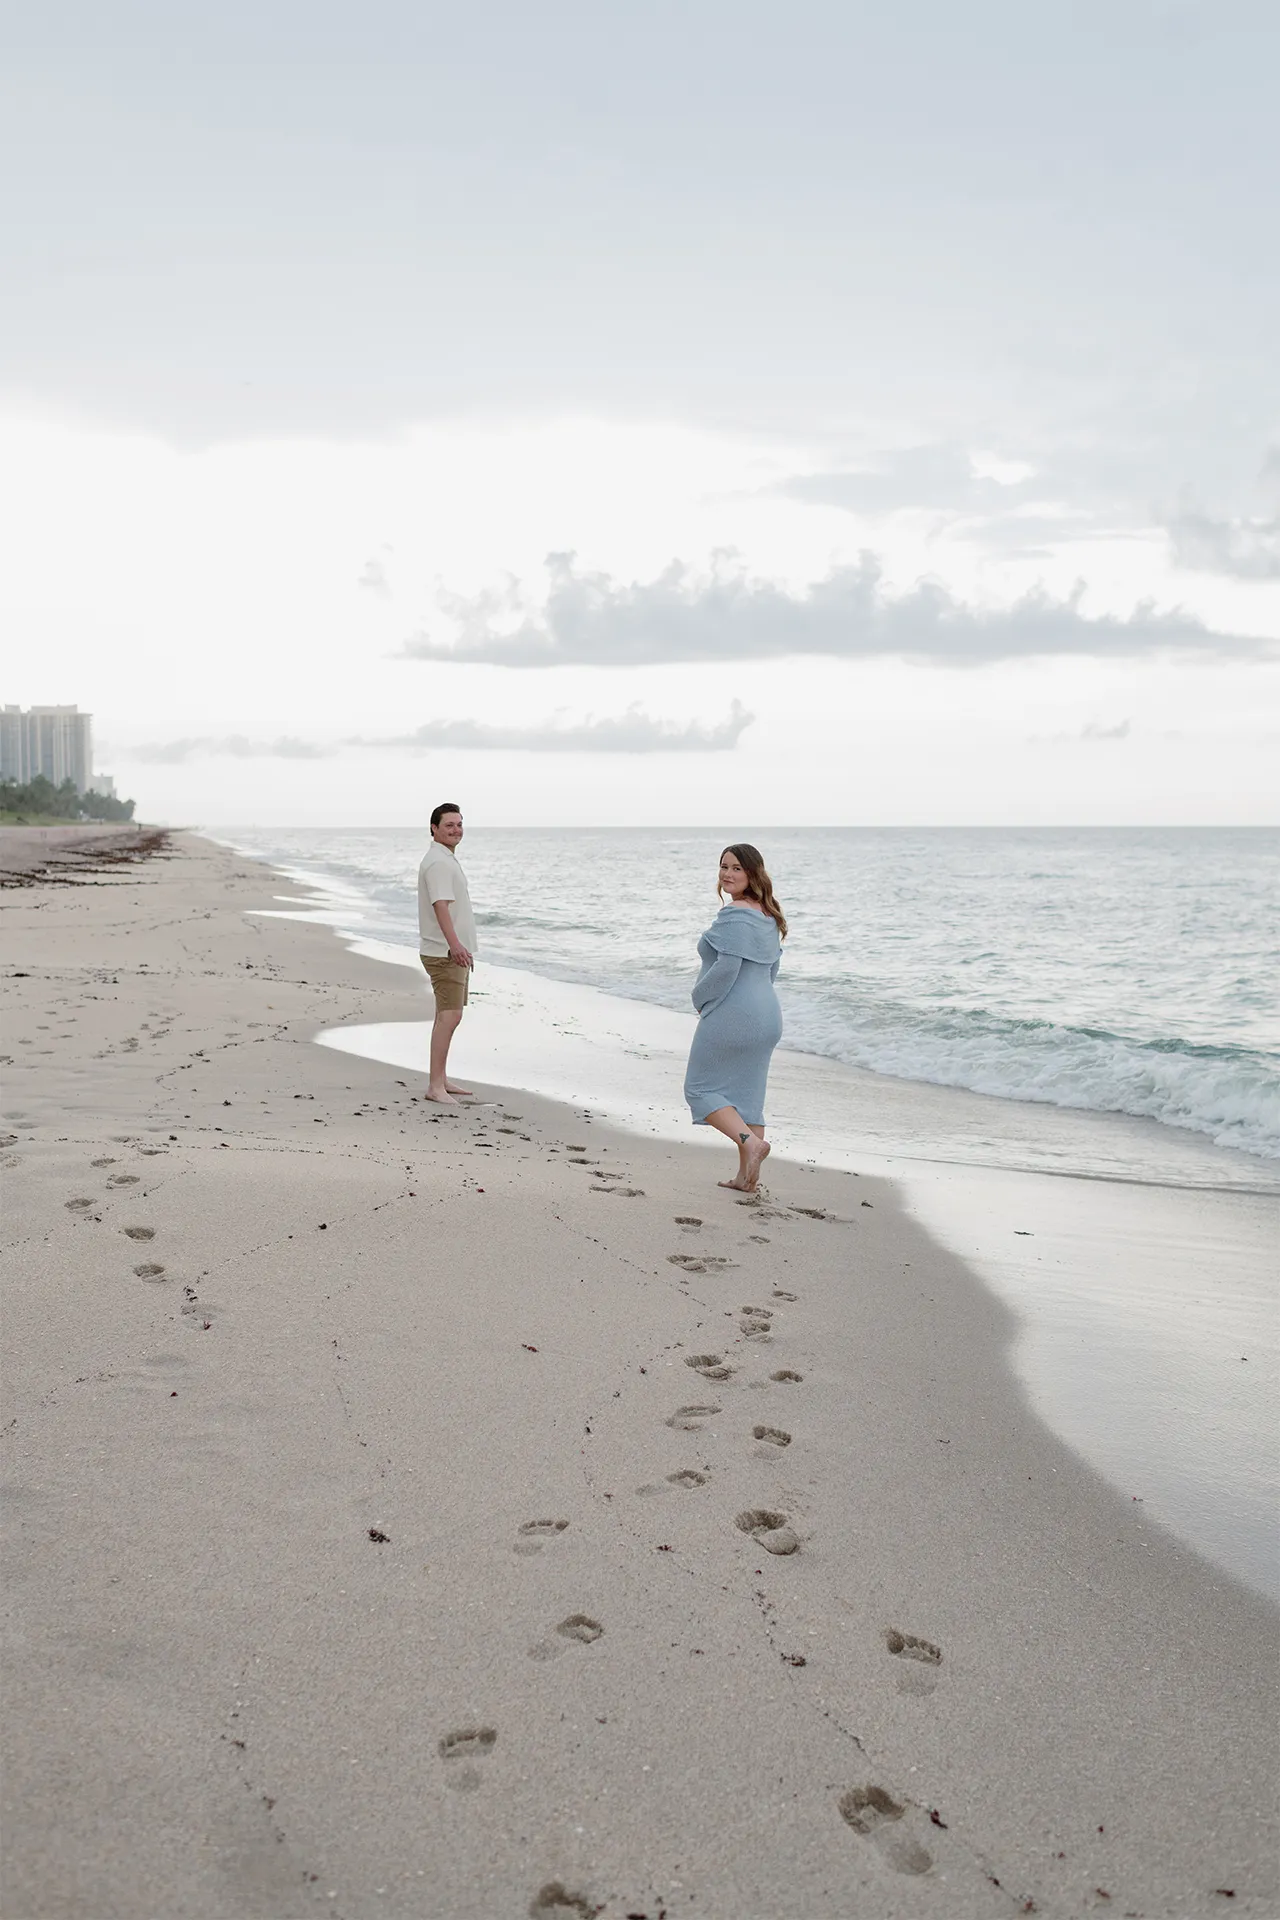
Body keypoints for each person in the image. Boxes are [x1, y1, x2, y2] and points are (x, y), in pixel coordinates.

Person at [683, 843, 786, 1191]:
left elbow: (727, 968)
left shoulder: (736, 915)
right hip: (768, 1015)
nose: (727, 874)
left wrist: (700, 999)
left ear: (752, 873)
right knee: (748, 1096)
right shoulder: (769, 915)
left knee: (699, 1089)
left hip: (734, 1012)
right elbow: (772, 970)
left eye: (736, 868)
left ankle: (749, 1142)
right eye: (723, 866)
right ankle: (746, 1178)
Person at [418, 802, 478, 1106]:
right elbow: (440, 906)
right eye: (449, 825)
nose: (456, 830)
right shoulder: (439, 862)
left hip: (452, 951)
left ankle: (440, 1079)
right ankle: (434, 1086)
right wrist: (455, 946)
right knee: (450, 1016)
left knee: (445, 1015)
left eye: (459, 824)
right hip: (445, 953)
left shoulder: (444, 858)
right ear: (434, 828)